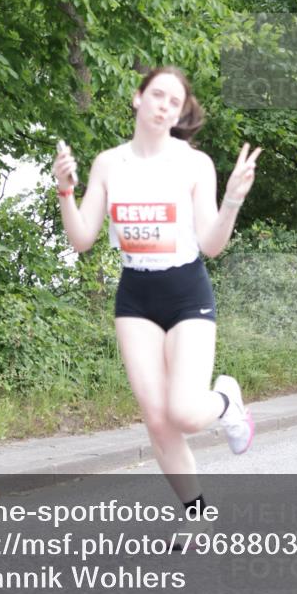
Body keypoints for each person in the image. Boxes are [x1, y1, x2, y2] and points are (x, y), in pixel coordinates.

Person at [52, 65, 262, 517]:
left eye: (175, 101)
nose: (165, 105)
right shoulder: (109, 163)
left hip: (186, 290)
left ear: (179, 113)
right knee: (158, 420)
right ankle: (197, 514)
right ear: (138, 98)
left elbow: (211, 245)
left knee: (185, 413)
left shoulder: (193, 164)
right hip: (136, 296)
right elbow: (82, 238)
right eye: (158, 95)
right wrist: (65, 191)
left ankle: (226, 400)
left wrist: (232, 201)